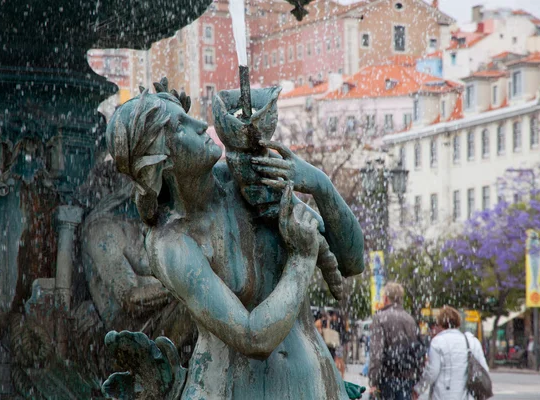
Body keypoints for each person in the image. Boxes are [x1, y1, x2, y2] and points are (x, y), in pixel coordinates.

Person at [105, 85, 365, 399]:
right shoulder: (172, 244)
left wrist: (320, 185)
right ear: (162, 161)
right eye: (180, 126)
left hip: (316, 385)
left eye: (189, 117)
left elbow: (352, 262)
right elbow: (253, 338)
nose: (201, 125)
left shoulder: (248, 181)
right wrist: (301, 258)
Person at [413, 306, 489, 400]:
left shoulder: (437, 342)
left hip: (443, 395)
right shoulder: (472, 341)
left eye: (436, 324)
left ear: (440, 324)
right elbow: (484, 369)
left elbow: (432, 371)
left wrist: (418, 389)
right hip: (468, 395)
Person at [368, 282, 422, 400]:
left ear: (386, 298)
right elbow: (418, 352)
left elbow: (376, 353)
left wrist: (373, 380)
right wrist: (417, 380)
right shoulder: (410, 319)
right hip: (407, 378)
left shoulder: (380, 318)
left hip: (386, 378)